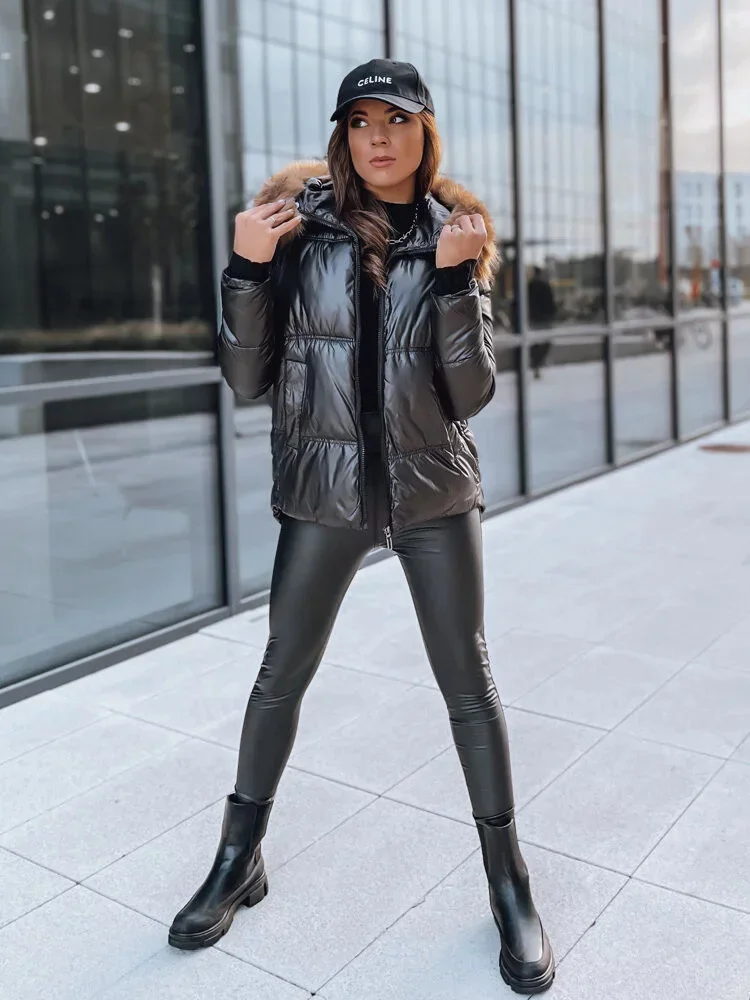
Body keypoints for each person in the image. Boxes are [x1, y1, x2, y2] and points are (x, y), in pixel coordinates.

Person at [169, 59, 555, 995]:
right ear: (341, 135)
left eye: (396, 119)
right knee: (280, 674)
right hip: (324, 493)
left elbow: (471, 392)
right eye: (359, 121)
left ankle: (508, 882)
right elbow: (248, 378)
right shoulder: (294, 233)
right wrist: (244, 270)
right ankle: (238, 858)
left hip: (432, 494)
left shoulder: (454, 235)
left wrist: (457, 284)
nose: (377, 137)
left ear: (426, 133)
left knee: (469, 686)